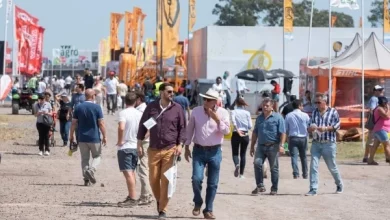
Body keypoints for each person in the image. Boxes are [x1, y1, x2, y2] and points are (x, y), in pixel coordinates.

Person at [137, 83, 185, 219]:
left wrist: (180, 145)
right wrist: (139, 143)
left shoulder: (177, 109)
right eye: (169, 91)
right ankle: (159, 200)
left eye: (172, 92)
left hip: (170, 149)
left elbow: (182, 128)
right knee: (153, 179)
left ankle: (163, 209)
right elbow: (143, 125)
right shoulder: (151, 107)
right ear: (161, 92)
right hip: (153, 149)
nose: (172, 94)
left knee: (166, 180)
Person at [184, 88, 230, 219]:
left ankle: (208, 210)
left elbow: (227, 132)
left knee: (212, 183)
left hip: (215, 151)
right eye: (204, 99)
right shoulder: (196, 111)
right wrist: (186, 147)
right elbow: (190, 129)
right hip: (198, 150)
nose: (205, 101)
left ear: (215, 101)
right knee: (196, 179)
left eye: (208, 99)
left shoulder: (223, 112)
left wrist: (217, 119)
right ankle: (197, 202)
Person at [306, 93, 343, 196]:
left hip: (329, 143)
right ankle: (313, 188)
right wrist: (311, 128)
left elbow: (337, 125)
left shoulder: (333, 112)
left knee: (332, 166)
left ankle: (339, 184)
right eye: (315, 102)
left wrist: (326, 128)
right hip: (316, 143)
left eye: (319, 102)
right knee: (313, 165)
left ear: (325, 102)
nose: (317, 104)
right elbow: (309, 126)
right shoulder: (314, 113)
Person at [70, 89, 107, 186]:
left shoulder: (78, 107)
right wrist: (105, 136)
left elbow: (73, 123)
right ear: (93, 96)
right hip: (94, 137)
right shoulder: (97, 107)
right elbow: (101, 123)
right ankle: (92, 170)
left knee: (85, 159)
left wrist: (71, 136)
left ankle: (86, 180)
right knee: (97, 156)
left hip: (81, 138)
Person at [250, 98, 286, 196]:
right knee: (257, 163)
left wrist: (282, 146)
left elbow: (283, 133)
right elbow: (255, 132)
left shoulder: (278, 117)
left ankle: (274, 188)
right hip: (261, 146)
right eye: (263, 105)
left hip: (273, 146)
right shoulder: (259, 118)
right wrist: (252, 146)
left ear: (272, 107)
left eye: (267, 106)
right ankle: (260, 185)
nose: (265, 107)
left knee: (274, 168)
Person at [116, 92, 142, 207]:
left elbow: (121, 127)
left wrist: (120, 141)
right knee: (132, 172)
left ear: (125, 101)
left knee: (128, 173)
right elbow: (149, 128)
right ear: (136, 101)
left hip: (126, 147)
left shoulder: (123, 113)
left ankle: (132, 198)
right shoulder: (139, 113)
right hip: (136, 145)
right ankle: (132, 195)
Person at [135, 91, 154, 205]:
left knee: (143, 169)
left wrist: (140, 140)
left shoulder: (143, 110)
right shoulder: (145, 109)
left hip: (144, 142)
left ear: (139, 99)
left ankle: (146, 196)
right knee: (144, 169)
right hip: (145, 142)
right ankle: (146, 194)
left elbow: (150, 127)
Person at [285, 99, 310, 179]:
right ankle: (305, 173)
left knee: (294, 157)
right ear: (299, 106)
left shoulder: (288, 115)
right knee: (304, 157)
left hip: (293, 138)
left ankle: (296, 174)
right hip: (303, 138)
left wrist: (286, 140)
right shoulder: (305, 115)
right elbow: (308, 126)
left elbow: (286, 129)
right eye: (302, 105)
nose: (303, 107)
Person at [363, 85, 388, 163]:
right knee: (372, 140)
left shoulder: (377, 99)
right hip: (375, 124)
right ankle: (366, 157)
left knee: (375, 141)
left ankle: (368, 157)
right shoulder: (374, 99)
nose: (381, 92)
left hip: (376, 124)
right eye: (379, 90)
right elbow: (372, 110)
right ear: (375, 91)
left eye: (381, 90)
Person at [230, 98, 252, 178]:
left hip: (236, 133)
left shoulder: (233, 111)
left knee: (235, 153)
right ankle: (241, 174)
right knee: (243, 154)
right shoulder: (247, 113)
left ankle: (236, 164)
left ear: (236, 103)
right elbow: (250, 126)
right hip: (245, 134)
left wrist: (237, 127)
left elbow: (233, 121)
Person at [367, 96, 390, 165]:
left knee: (375, 146)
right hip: (381, 130)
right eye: (385, 102)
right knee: (387, 145)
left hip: (381, 129)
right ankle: (389, 158)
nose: (386, 104)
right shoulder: (379, 109)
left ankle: (370, 160)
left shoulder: (382, 108)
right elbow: (387, 116)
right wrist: (388, 109)